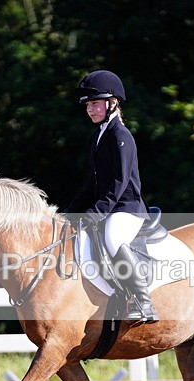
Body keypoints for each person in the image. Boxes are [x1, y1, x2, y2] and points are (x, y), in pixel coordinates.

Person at [65, 69, 159, 326]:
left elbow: (119, 181)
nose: (89, 109)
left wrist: (96, 212)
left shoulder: (121, 136)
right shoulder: (98, 136)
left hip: (126, 207)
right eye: (87, 105)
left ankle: (143, 301)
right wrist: (71, 211)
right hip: (110, 206)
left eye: (95, 103)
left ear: (112, 102)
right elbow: (93, 182)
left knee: (113, 237)